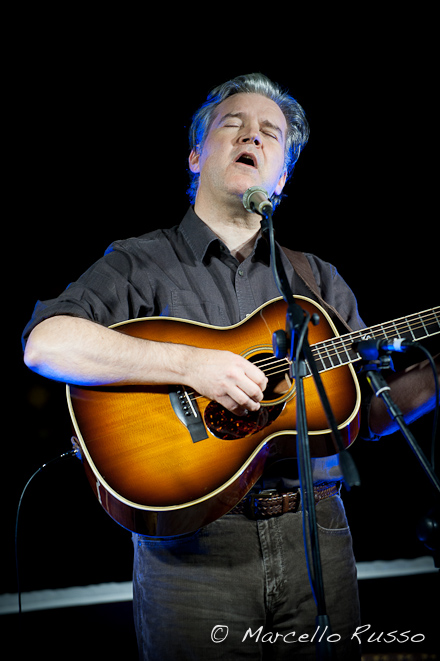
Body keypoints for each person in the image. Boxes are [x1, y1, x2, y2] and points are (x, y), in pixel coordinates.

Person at [22, 73, 438, 660]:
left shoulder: (316, 280)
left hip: (318, 534)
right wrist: (191, 364)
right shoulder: (139, 262)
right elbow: (46, 344)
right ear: (195, 155)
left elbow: (366, 414)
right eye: (233, 124)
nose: (253, 136)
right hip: (190, 550)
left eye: (271, 133)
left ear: (283, 175)